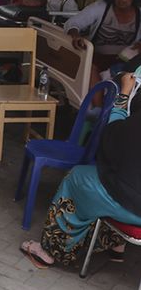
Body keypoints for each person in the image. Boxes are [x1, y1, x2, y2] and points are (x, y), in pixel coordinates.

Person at [20, 71, 141, 268]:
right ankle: (116, 245)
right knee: (122, 177)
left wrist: (124, 95)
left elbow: (110, 140)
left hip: (131, 206)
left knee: (78, 178)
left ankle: (49, 251)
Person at [65, 0, 141, 105]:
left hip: (125, 63)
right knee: (90, 67)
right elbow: (72, 23)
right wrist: (75, 35)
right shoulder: (101, 8)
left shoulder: (139, 14)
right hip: (96, 59)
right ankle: (98, 112)